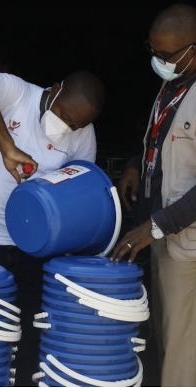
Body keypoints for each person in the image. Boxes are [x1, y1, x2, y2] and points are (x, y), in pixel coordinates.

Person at [0, 69, 106, 386]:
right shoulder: (18, 94)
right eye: (63, 114)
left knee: (31, 337)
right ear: (53, 90)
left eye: (75, 124)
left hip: (38, 250)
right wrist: (7, 145)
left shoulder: (83, 134)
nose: (66, 126)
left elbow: (79, 192)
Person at [111, 3, 196, 387]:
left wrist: (156, 226)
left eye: (166, 55)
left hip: (184, 241)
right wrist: (135, 161)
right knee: (164, 331)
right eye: (153, 52)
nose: (158, 61)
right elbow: (160, 140)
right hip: (161, 234)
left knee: (182, 346)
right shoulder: (173, 84)